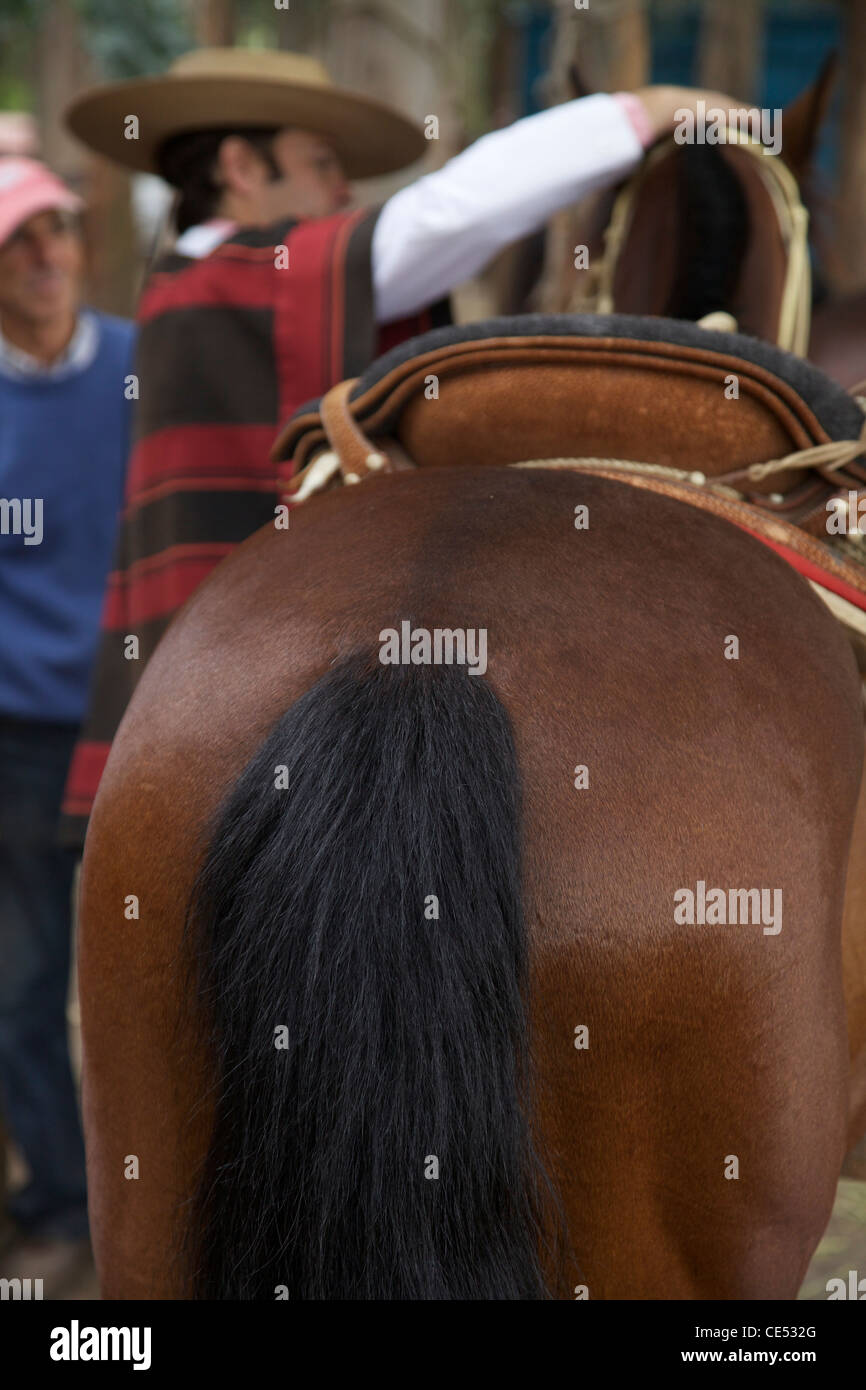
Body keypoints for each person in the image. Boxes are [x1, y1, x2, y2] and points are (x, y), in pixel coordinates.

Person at [60, 47, 735, 843]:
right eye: (319, 164)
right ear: (241, 165)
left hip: (197, 704)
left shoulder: (193, 282)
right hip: (247, 716)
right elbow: (448, 216)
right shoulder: (241, 277)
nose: (343, 193)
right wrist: (643, 111)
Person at [0, 159, 136, 1257]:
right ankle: (61, 1206)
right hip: (18, 739)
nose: (45, 256)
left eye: (57, 230)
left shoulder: (147, 373)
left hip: (149, 721)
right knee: (24, 982)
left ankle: (178, 1200)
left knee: (172, 963)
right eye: (17, 239)